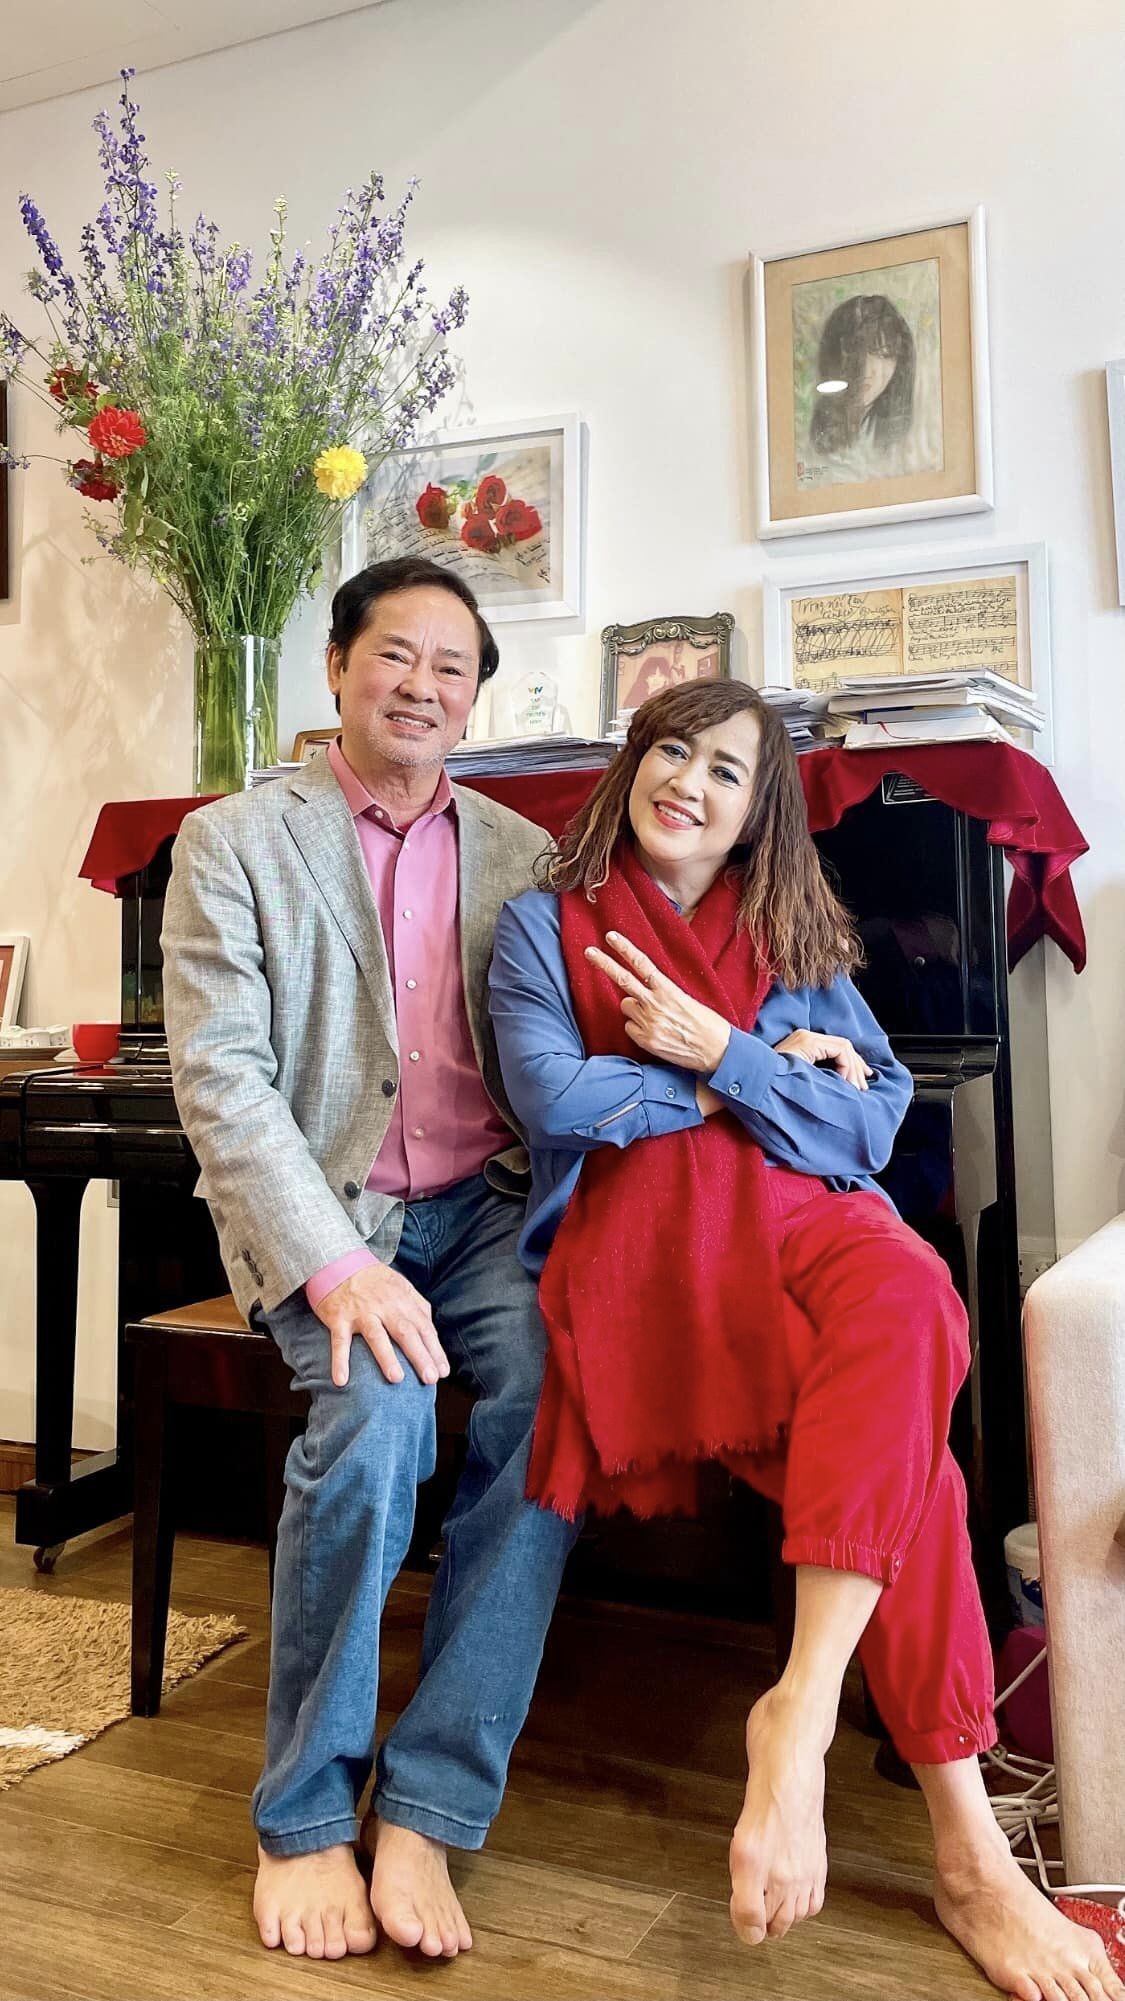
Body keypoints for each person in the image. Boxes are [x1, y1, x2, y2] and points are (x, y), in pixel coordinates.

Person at [488, 679, 1123, 2001]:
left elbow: (872, 1123)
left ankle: (802, 1702)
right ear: (632, 766)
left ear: (756, 813)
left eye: (727, 770)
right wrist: (754, 1077)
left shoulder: (791, 930)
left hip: (811, 1226)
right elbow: (555, 1098)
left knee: (915, 1296)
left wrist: (724, 1050)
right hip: (650, 1252)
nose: (691, 782)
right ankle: (969, 1856)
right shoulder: (545, 925)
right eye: (673, 751)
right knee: (920, 1477)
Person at [161, 556, 577, 1964]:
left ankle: (430, 1803)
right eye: (395, 654)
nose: (421, 685)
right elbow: (221, 1083)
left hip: (486, 1211)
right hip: (334, 1216)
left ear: (475, 700)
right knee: (379, 1413)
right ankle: (300, 1814)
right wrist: (335, 1265)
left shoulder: (525, 852)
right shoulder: (232, 841)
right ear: (337, 667)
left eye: (451, 667)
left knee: (556, 1407)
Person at [810, 292, 915, 459]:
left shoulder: (898, 441)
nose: (869, 370)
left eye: (884, 356)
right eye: (857, 351)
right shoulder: (819, 430)